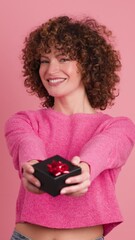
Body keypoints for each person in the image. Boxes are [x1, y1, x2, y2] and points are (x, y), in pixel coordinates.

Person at [5, 15, 135, 240]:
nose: (51, 69)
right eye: (44, 60)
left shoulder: (118, 127)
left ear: (87, 65)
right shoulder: (22, 121)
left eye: (63, 58)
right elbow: (26, 143)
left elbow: (106, 146)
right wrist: (33, 167)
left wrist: (85, 168)